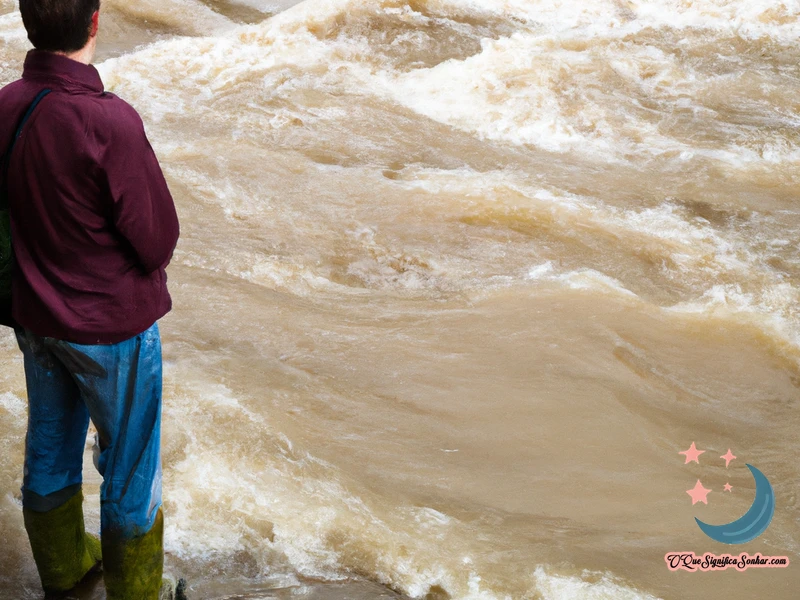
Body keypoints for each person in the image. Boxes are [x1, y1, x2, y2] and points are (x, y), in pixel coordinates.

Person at [0, 0, 182, 598]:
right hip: (111, 329)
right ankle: (134, 589)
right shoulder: (110, 121)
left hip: (35, 315)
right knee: (130, 470)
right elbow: (155, 241)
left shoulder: (6, 106)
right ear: (96, 21)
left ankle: (67, 575)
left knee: (50, 448)